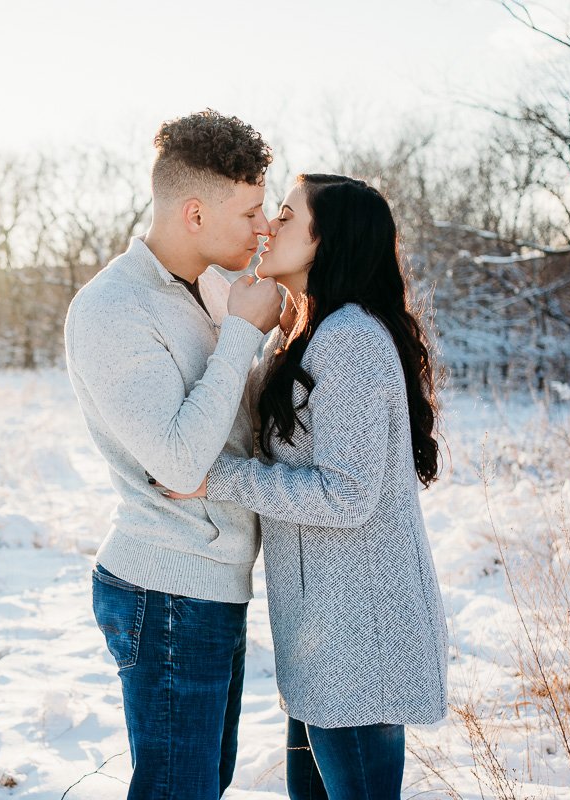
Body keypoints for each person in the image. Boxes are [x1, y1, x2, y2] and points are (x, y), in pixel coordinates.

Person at [159, 174, 449, 800]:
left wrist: (213, 480)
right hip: (321, 640)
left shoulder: (352, 342)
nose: (268, 227)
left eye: (286, 217)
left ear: (327, 241)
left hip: (360, 640)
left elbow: (346, 496)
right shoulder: (306, 335)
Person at [63, 109, 283, 800]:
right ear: (194, 212)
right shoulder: (113, 308)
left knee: (202, 785)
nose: (263, 227)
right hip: (167, 590)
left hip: (211, 582)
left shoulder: (213, 289)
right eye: (250, 211)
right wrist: (244, 334)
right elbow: (182, 462)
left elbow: (229, 423)